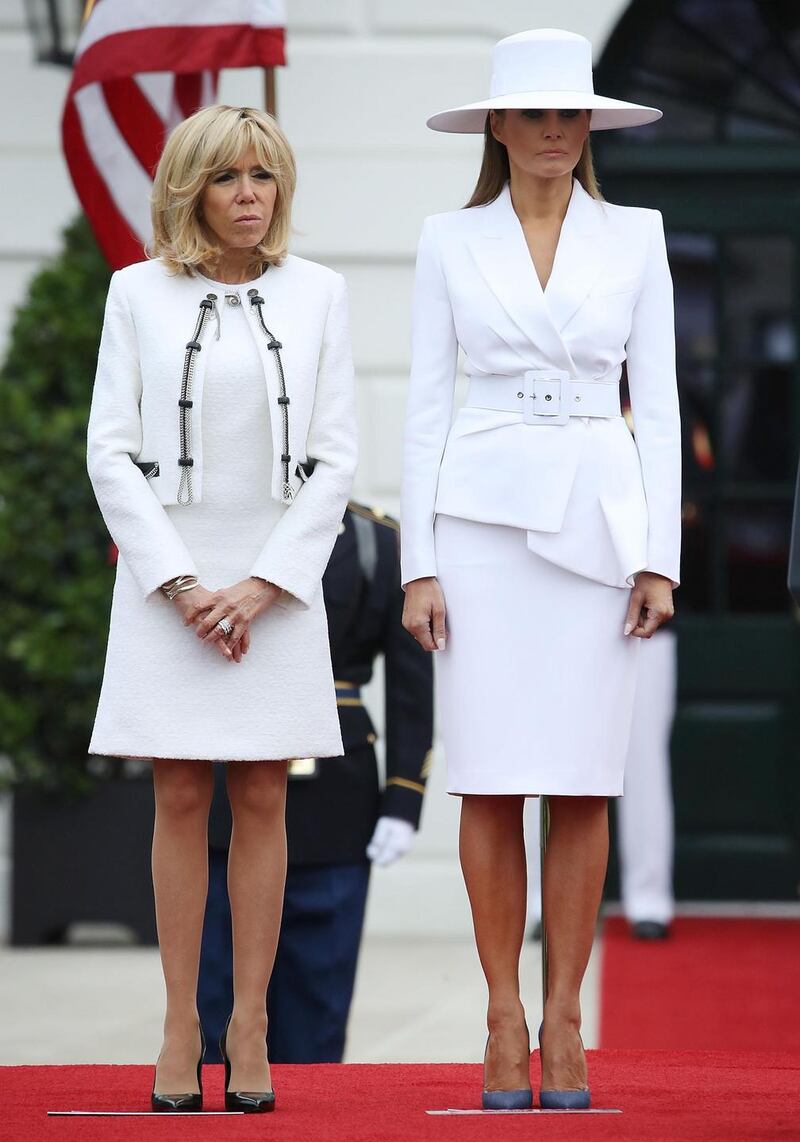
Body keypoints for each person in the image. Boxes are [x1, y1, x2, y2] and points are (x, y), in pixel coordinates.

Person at [400, 29, 680, 1111]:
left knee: (580, 775)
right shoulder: (444, 240)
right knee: (487, 769)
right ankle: (501, 1012)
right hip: (477, 525)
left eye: (573, 114)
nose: (556, 131)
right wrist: (418, 565)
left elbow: (653, 405)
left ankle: (566, 1015)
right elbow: (426, 403)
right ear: (499, 127)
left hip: (598, 528)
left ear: (589, 127)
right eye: (537, 114)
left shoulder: (637, 235)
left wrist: (658, 553)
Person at [86, 104, 357, 1113]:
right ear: (189, 189)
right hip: (170, 583)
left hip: (274, 585)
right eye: (228, 178)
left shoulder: (322, 293)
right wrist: (183, 583)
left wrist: (265, 582)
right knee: (179, 796)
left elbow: (335, 454)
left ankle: (249, 1018)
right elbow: (108, 447)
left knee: (262, 795)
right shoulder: (134, 295)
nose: (249, 195)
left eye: (264, 176)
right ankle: (178, 1021)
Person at [197, 501, 434, 1063]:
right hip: (228, 769)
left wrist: (405, 796)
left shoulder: (377, 541)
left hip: (335, 789)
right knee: (215, 1002)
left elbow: (411, 684)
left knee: (317, 1005)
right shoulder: (221, 523)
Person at [525, 629, 677, 940]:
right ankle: (546, 904)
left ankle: (649, 901)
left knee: (643, 763)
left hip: (639, 618)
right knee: (549, 763)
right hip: (556, 622)